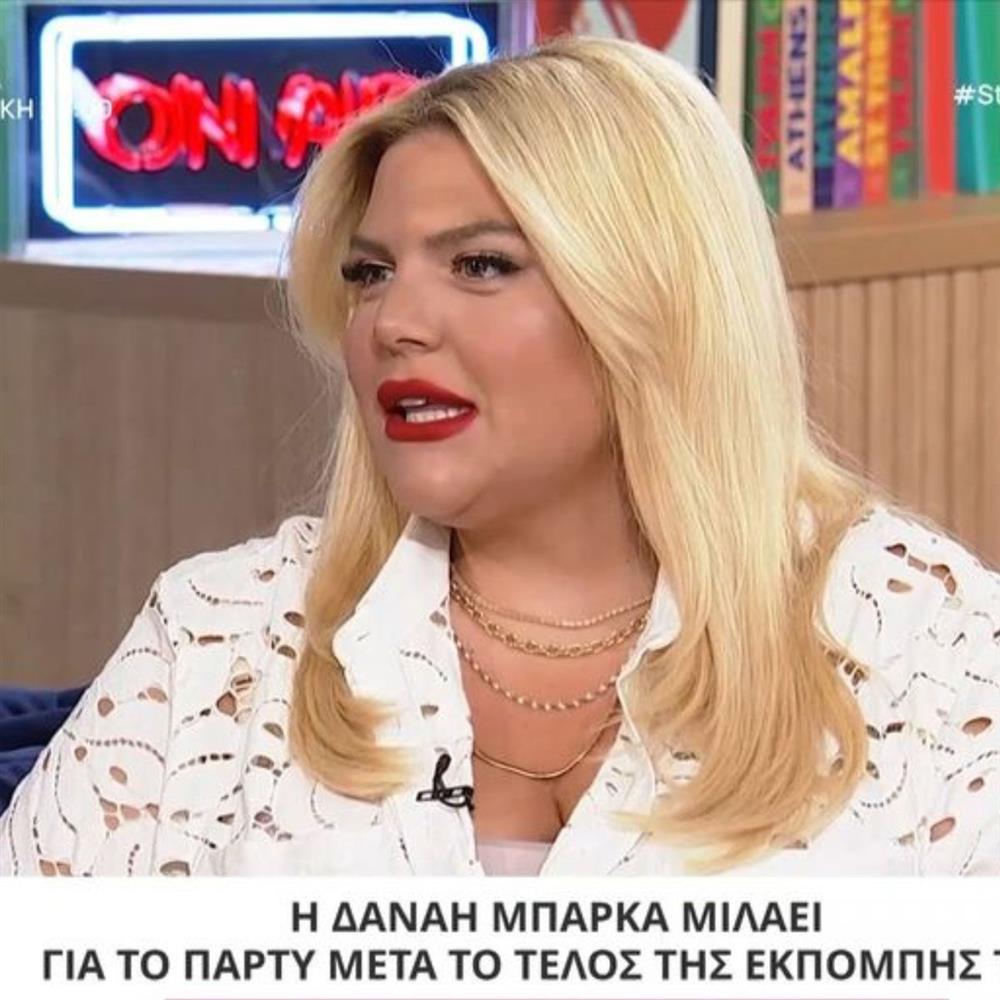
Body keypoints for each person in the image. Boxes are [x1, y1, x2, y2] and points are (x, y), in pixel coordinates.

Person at [2, 36, 998, 878]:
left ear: (655, 300)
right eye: (370, 273)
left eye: (481, 264)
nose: (394, 321)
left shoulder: (925, 645)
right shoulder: (216, 637)